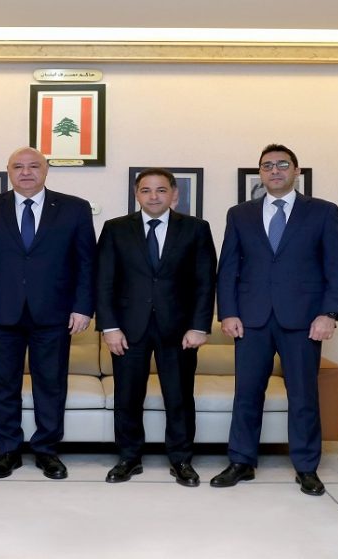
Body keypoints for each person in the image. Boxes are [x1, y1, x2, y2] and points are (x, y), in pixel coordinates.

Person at [210, 144, 338, 497]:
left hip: (303, 320)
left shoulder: (322, 212)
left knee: (303, 396)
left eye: (282, 164)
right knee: (246, 395)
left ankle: (306, 467)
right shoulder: (240, 214)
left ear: (297, 171)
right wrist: (228, 312)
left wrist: (329, 314)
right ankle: (241, 461)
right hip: (251, 319)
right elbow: (228, 268)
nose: (274, 170)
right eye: (267, 166)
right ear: (260, 173)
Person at [0, 147, 95, 480]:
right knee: (3, 384)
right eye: (18, 166)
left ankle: (47, 450)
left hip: (55, 313)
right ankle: (8, 450)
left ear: (46, 170)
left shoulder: (75, 208)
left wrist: (82, 307)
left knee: (51, 384)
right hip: (1, 312)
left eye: (33, 166)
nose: (26, 172)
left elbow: (87, 263)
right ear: (8, 171)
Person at [96, 168, 216, 487]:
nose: (153, 196)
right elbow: (103, 280)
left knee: (179, 397)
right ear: (137, 194)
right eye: (146, 190)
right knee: (127, 396)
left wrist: (199, 326)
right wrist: (109, 327)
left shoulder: (196, 229)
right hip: (127, 328)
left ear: (174, 194)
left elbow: (205, 282)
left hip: (178, 329)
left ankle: (181, 460)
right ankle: (129, 458)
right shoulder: (115, 229)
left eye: (161, 190)